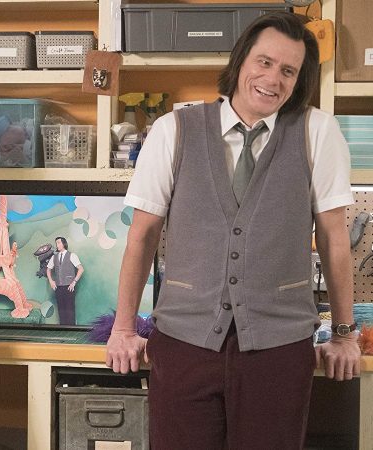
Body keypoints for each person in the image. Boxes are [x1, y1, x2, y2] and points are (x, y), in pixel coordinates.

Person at [106, 11, 361, 450]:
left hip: (279, 351)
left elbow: (335, 240)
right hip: (184, 344)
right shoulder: (172, 131)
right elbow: (142, 236)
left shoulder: (318, 132)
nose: (273, 79)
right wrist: (123, 328)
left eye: (288, 71)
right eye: (264, 62)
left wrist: (343, 335)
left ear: (298, 80)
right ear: (241, 59)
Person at [47, 236, 84, 325]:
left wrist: (74, 282)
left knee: (70, 310)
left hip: (69, 287)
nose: (57, 245)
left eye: (59, 242)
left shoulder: (72, 255)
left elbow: (81, 269)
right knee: (61, 310)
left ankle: (71, 329)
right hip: (58, 287)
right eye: (56, 243)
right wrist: (51, 281)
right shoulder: (54, 257)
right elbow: (48, 269)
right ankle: (63, 328)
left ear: (64, 243)